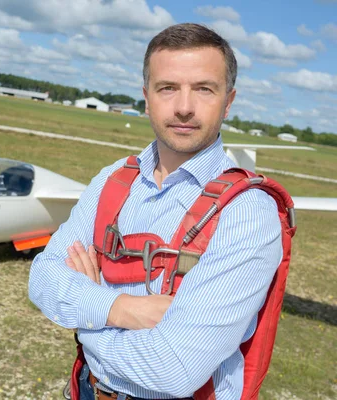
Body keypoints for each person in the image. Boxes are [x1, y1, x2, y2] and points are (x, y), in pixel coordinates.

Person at [28, 23, 283, 400]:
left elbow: (173, 370)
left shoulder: (247, 213)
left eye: (204, 89)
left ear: (228, 101)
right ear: (146, 98)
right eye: (168, 88)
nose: (183, 107)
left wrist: (85, 316)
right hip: (86, 389)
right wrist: (121, 308)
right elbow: (42, 280)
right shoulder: (113, 180)